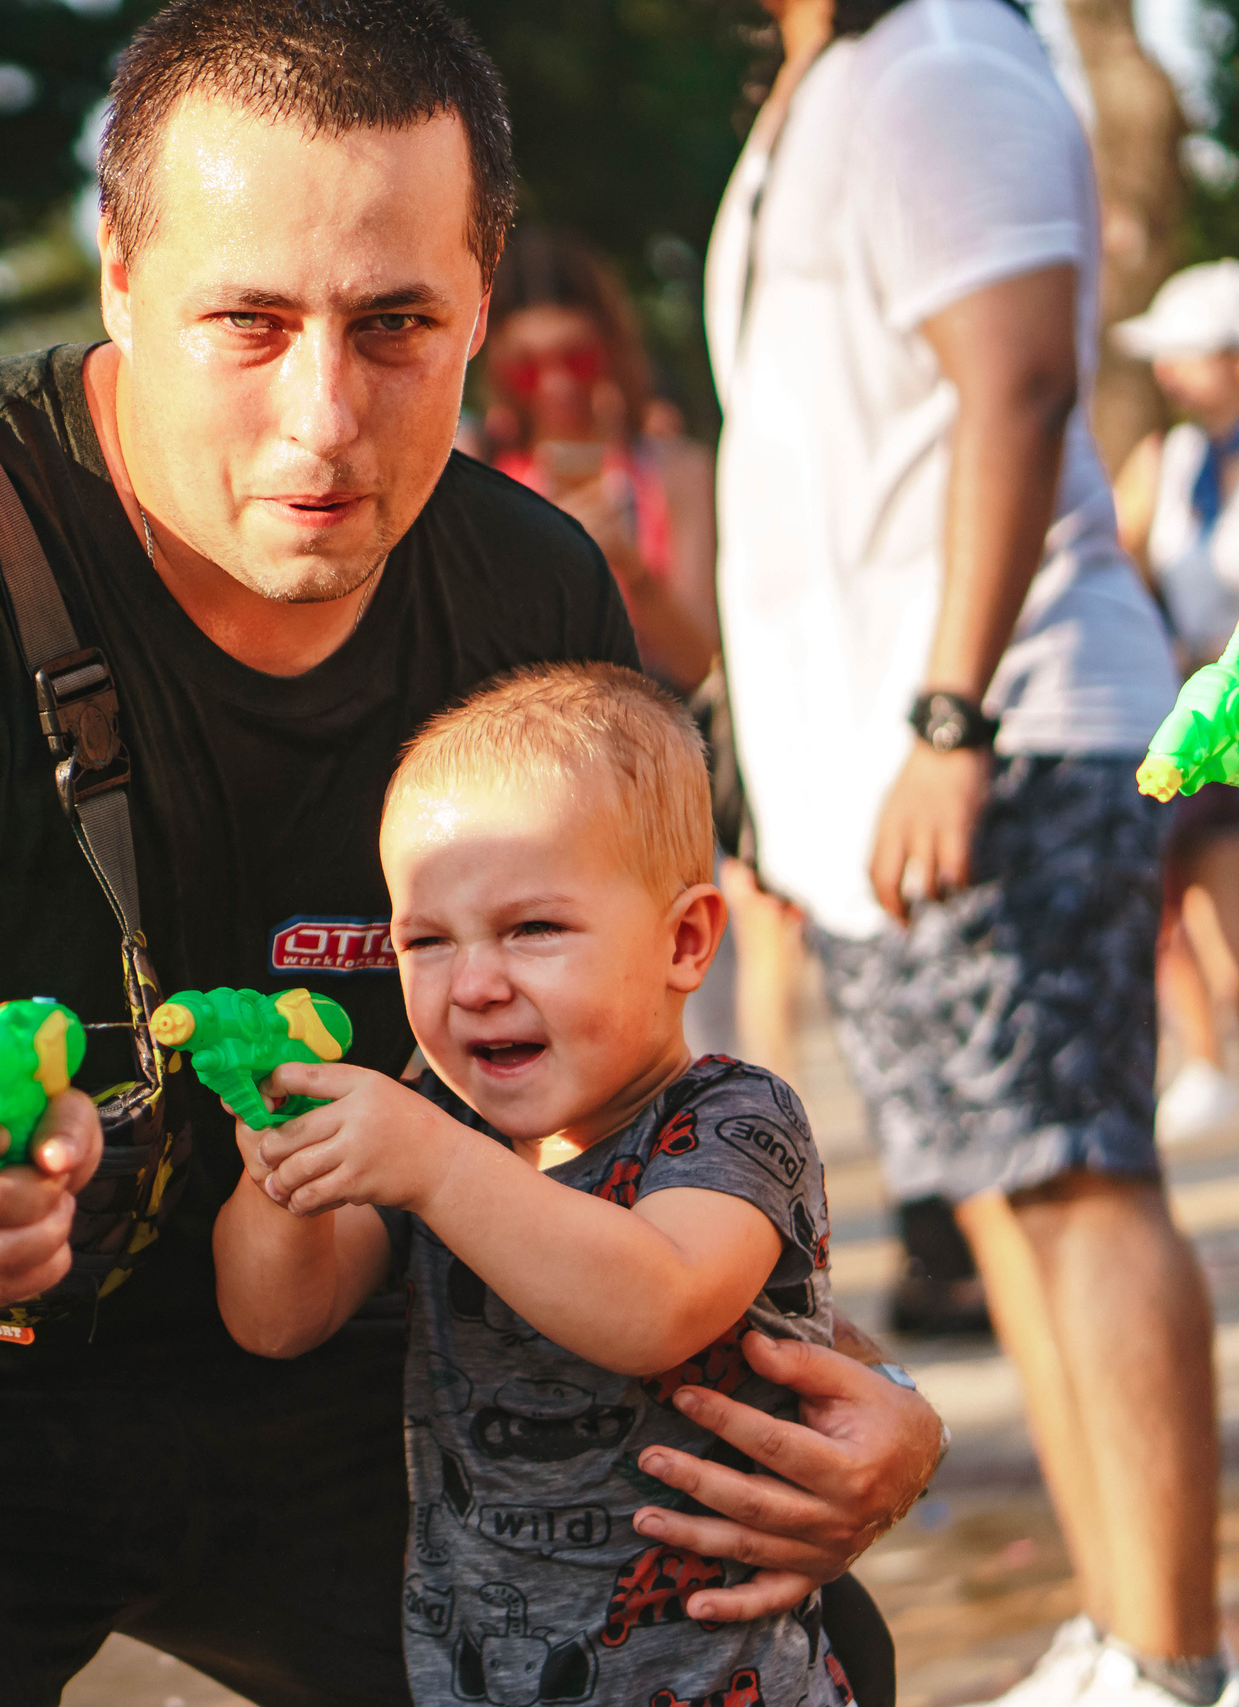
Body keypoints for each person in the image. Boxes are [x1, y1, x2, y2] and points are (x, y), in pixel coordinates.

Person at [0, 4, 947, 1703]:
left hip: (302, 1324)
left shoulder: (531, 601)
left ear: (483, 307)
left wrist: (868, 1397)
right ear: (121, 282)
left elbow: (616, 1124)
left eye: (395, 326)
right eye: (249, 321)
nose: (324, 420)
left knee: (771, 1655)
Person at [704, 1, 1224, 1702]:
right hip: (875, 768)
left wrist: (948, 718)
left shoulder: (941, 56)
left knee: (1078, 1180)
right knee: (1004, 1199)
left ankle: (1173, 1654)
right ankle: (1116, 1627)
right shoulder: (822, 87)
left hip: (1000, 725)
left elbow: (1016, 382)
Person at [216, 663, 848, 1707]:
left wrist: (431, 1162)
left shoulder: (731, 1119)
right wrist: (279, 1177)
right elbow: (276, 1320)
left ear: (683, 940)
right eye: (425, 941)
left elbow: (655, 1304)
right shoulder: (448, 1127)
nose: (474, 983)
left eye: (533, 930)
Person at [482, 227, 719, 695]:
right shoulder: (479, 466)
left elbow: (698, 662)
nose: (556, 384)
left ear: (609, 350)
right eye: (529, 366)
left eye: (576, 359)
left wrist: (632, 570)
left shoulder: (674, 470)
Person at [1114, 260, 1239, 1145]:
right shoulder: (1173, 458)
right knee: (1166, 897)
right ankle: (1205, 1060)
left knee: (1226, 909)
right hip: (1188, 706)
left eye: (1187, 355)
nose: (1168, 374)